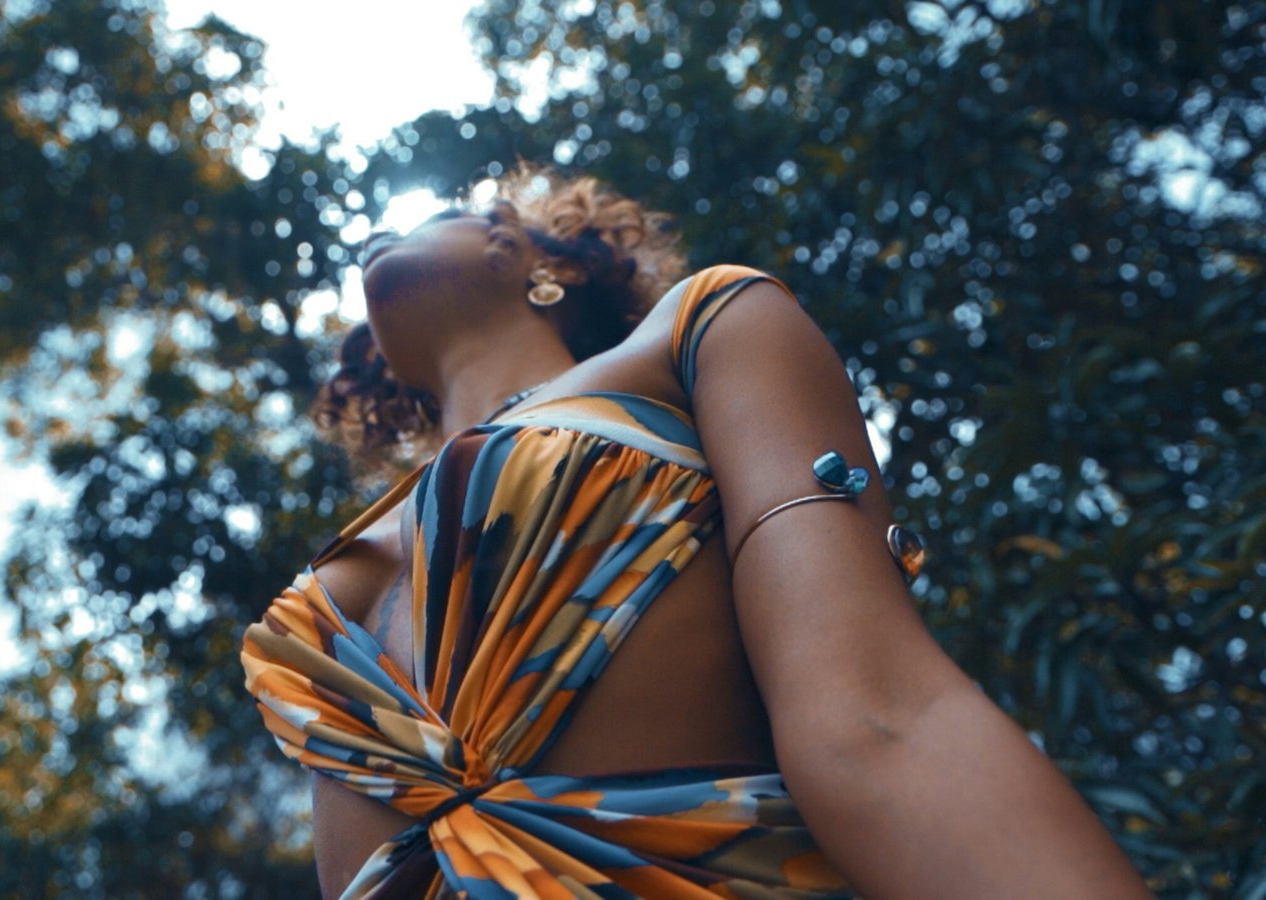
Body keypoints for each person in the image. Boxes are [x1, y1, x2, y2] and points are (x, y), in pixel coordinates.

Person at [240, 165, 1151, 898]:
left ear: (527, 255)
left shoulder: (698, 332)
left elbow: (877, 719)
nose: (380, 240)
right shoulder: (346, 559)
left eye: (440, 214)